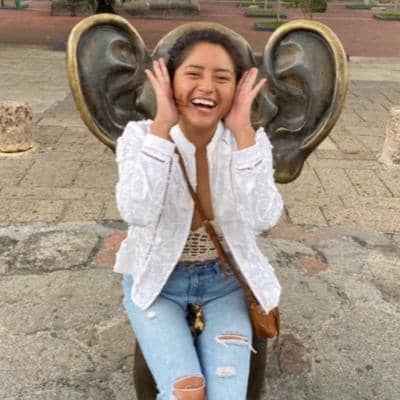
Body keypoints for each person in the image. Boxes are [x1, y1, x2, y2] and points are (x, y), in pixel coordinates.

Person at [114, 29, 283, 400]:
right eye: (193, 73)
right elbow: (136, 211)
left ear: (237, 88)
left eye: (222, 77)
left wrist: (243, 134)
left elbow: (264, 218)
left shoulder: (249, 143)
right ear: (170, 80)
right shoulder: (140, 137)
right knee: (186, 393)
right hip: (157, 282)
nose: (207, 87)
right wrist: (162, 128)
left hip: (225, 284)